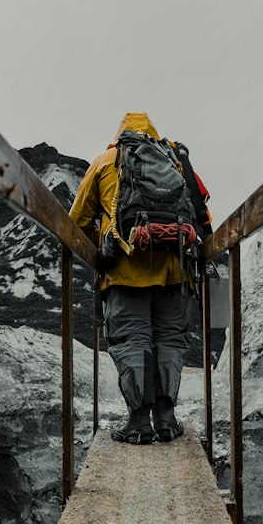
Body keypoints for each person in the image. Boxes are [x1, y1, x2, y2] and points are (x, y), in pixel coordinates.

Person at [70, 112, 212, 444]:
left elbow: (76, 222)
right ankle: (166, 419)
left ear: (119, 134)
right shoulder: (175, 159)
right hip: (175, 271)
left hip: (125, 268)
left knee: (132, 340)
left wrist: (104, 249)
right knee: (170, 339)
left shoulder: (107, 160)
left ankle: (138, 423)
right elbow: (201, 211)